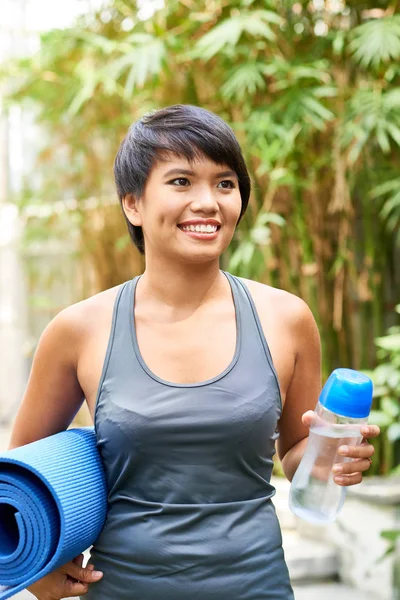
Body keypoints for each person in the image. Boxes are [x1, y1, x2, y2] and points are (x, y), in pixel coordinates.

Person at [9, 104, 380, 599]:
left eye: (225, 184)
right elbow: (18, 481)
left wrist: (329, 460)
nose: (208, 202)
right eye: (181, 181)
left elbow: (295, 452)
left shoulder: (286, 319)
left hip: (256, 584)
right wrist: (36, 568)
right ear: (133, 204)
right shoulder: (79, 330)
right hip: (124, 587)